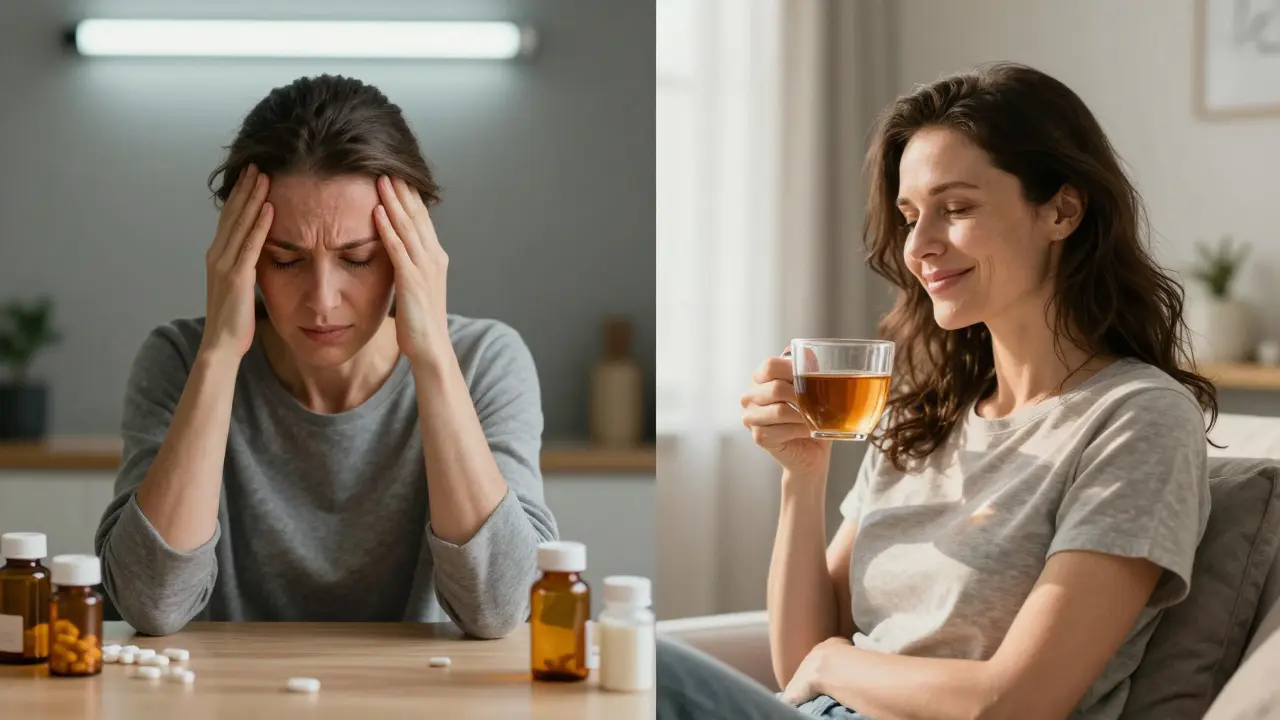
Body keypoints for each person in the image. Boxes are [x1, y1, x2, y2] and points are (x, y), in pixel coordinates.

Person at [658, 63, 1218, 720]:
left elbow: (1018, 702)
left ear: (1062, 210)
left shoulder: (1137, 420)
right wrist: (802, 478)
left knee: (646, 671)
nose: (919, 246)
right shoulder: (924, 416)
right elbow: (799, 658)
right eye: (908, 215)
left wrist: (835, 663)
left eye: (954, 209)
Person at [94, 74, 558, 638]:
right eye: (285, 260)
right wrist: (218, 353)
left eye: (358, 259)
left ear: (407, 252)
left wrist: (433, 353)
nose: (321, 301)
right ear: (240, 258)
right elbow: (150, 605)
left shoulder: (486, 359)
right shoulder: (179, 359)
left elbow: (501, 608)